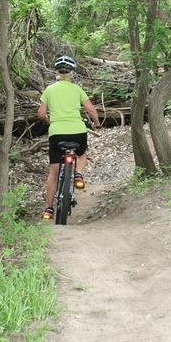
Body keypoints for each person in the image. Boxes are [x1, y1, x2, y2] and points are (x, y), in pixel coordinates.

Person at [37, 55, 101, 220]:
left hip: (56, 133)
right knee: (81, 154)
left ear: (56, 72)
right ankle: (78, 173)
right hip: (77, 131)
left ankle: (48, 209)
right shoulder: (77, 89)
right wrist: (96, 123)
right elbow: (91, 110)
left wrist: (49, 120)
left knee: (53, 172)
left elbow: (41, 113)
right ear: (72, 73)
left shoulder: (49, 90)